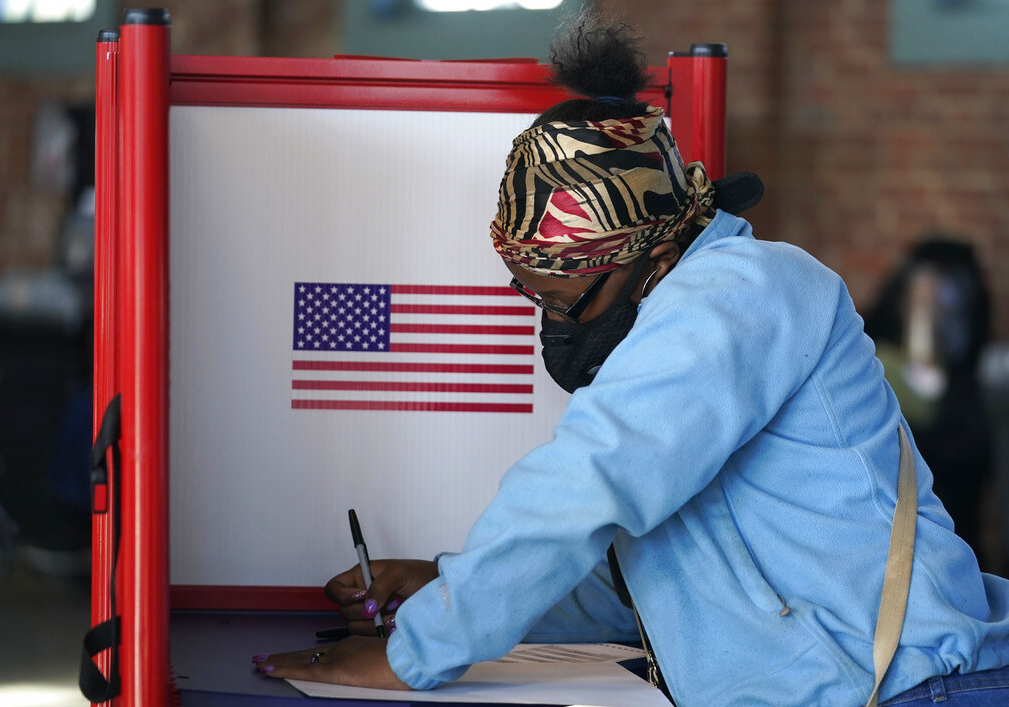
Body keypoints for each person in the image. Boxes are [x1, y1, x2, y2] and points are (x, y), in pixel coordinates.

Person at [253, 14, 1009, 705]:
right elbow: (652, 582)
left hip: (920, 685)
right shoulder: (681, 325)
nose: (552, 322)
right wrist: (444, 586)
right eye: (533, 294)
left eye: (566, 296)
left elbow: (588, 480)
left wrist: (414, 654)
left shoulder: (741, 291)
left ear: (648, 259)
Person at [864, 237, 994, 569]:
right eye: (921, 298)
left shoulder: (969, 385)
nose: (930, 304)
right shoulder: (880, 363)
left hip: (953, 535)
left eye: (940, 302)